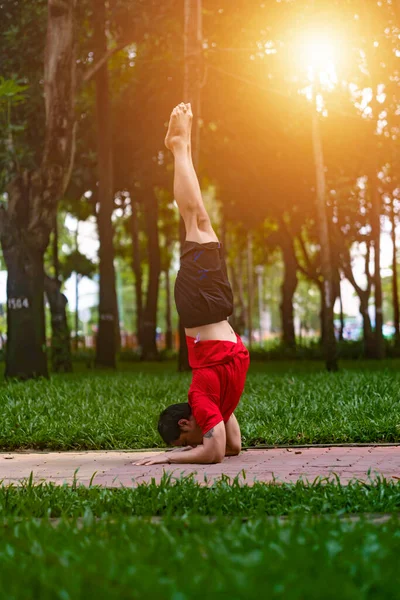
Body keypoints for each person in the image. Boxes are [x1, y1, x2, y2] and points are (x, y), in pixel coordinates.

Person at [136, 103, 250, 466]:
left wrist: (169, 460)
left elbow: (213, 452)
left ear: (186, 422)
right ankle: (180, 147)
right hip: (214, 306)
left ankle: (179, 145)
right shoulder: (211, 404)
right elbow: (231, 446)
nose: (194, 444)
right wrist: (209, 428)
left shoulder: (200, 396)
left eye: (186, 439)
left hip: (201, 305)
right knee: (199, 219)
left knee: (194, 217)